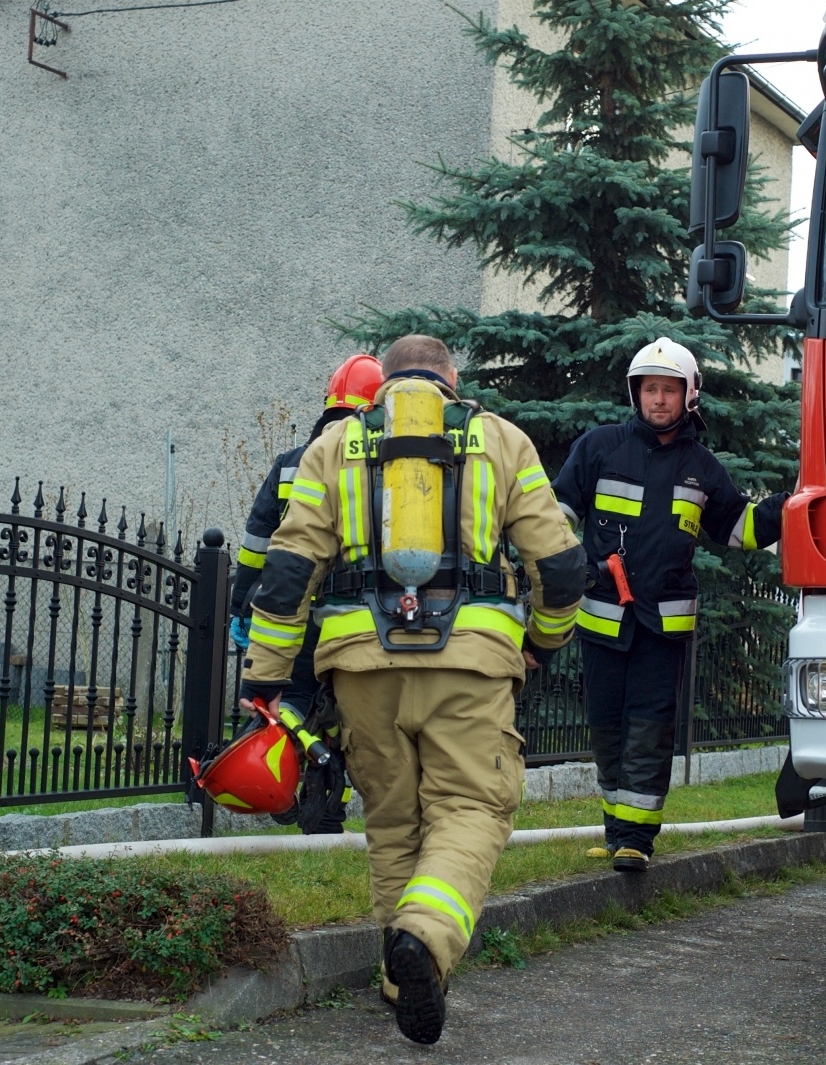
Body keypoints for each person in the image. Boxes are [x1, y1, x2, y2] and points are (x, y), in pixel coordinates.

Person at [238, 335, 585, 1044]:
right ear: (451, 380)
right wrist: (542, 640)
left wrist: (267, 680)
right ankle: (424, 939)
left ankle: (402, 984)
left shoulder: (333, 448)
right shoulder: (500, 439)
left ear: (383, 385)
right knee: (470, 807)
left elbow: (285, 573)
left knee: (393, 824)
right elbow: (562, 563)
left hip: (363, 670)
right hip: (470, 665)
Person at [552, 337, 788, 873]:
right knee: (607, 727)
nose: (659, 399)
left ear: (689, 396)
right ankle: (616, 832)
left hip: (663, 628)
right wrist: (561, 563)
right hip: (603, 620)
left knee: (650, 728)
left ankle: (638, 838)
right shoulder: (598, 448)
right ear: (636, 393)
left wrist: (788, 504)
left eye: (669, 390)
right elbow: (555, 514)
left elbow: (739, 529)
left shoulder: (701, 468)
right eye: (650, 389)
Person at [228, 352, 383, 834]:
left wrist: (242, 604)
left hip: (291, 616)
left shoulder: (290, 464)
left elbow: (258, 546)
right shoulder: (380, 460)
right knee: (347, 711)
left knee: (285, 701)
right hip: (356, 619)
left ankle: (278, 772)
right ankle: (328, 805)